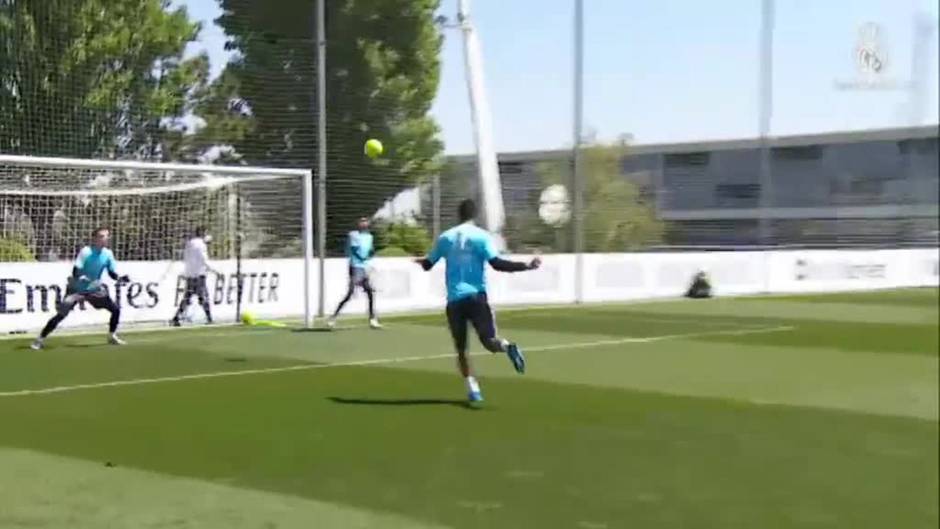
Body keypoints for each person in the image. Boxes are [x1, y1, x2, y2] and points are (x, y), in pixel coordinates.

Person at [414, 199, 541, 403]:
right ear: (475, 215)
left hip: (455, 300)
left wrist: (420, 261)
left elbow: (428, 264)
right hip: (477, 297)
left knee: (461, 349)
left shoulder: (446, 237)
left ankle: (473, 389)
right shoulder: (482, 236)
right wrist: (526, 266)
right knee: (489, 342)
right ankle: (507, 347)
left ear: (459, 214)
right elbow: (497, 264)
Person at [31, 227, 130, 350]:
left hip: (94, 290)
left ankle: (111, 336)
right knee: (61, 315)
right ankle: (39, 340)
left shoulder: (108, 254)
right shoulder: (86, 251)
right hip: (76, 289)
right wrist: (81, 277)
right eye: (102, 236)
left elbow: (111, 273)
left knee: (115, 310)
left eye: (106, 236)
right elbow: (76, 270)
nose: (105, 238)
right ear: (94, 239)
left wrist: (120, 278)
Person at [328, 217, 381, 330]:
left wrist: (371, 255)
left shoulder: (370, 237)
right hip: (355, 267)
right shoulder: (353, 235)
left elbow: (371, 250)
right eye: (362, 221)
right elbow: (354, 250)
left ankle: (372, 319)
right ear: (358, 224)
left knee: (370, 293)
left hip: (364, 268)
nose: (364, 223)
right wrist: (363, 258)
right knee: (350, 293)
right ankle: (333, 317)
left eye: (366, 221)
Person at [171, 226, 218, 326]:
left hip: (190, 274)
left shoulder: (189, 243)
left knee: (187, 297)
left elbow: (186, 258)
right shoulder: (201, 245)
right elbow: (204, 259)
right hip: (199, 275)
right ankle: (209, 318)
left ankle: (176, 317)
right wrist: (215, 270)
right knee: (203, 297)